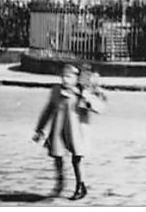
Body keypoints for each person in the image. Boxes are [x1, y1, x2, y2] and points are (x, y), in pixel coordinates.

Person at [33, 63, 99, 200]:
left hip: (76, 131)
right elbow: (48, 110)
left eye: (68, 77)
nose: (64, 79)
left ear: (76, 78)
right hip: (58, 129)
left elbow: (97, 107)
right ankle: (60, 183)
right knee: (57, 156)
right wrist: (40, 129)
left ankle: (81, 185)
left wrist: (87, 99)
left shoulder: (81, 92)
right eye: (62, 76)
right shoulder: (56, 91)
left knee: (77, 159)